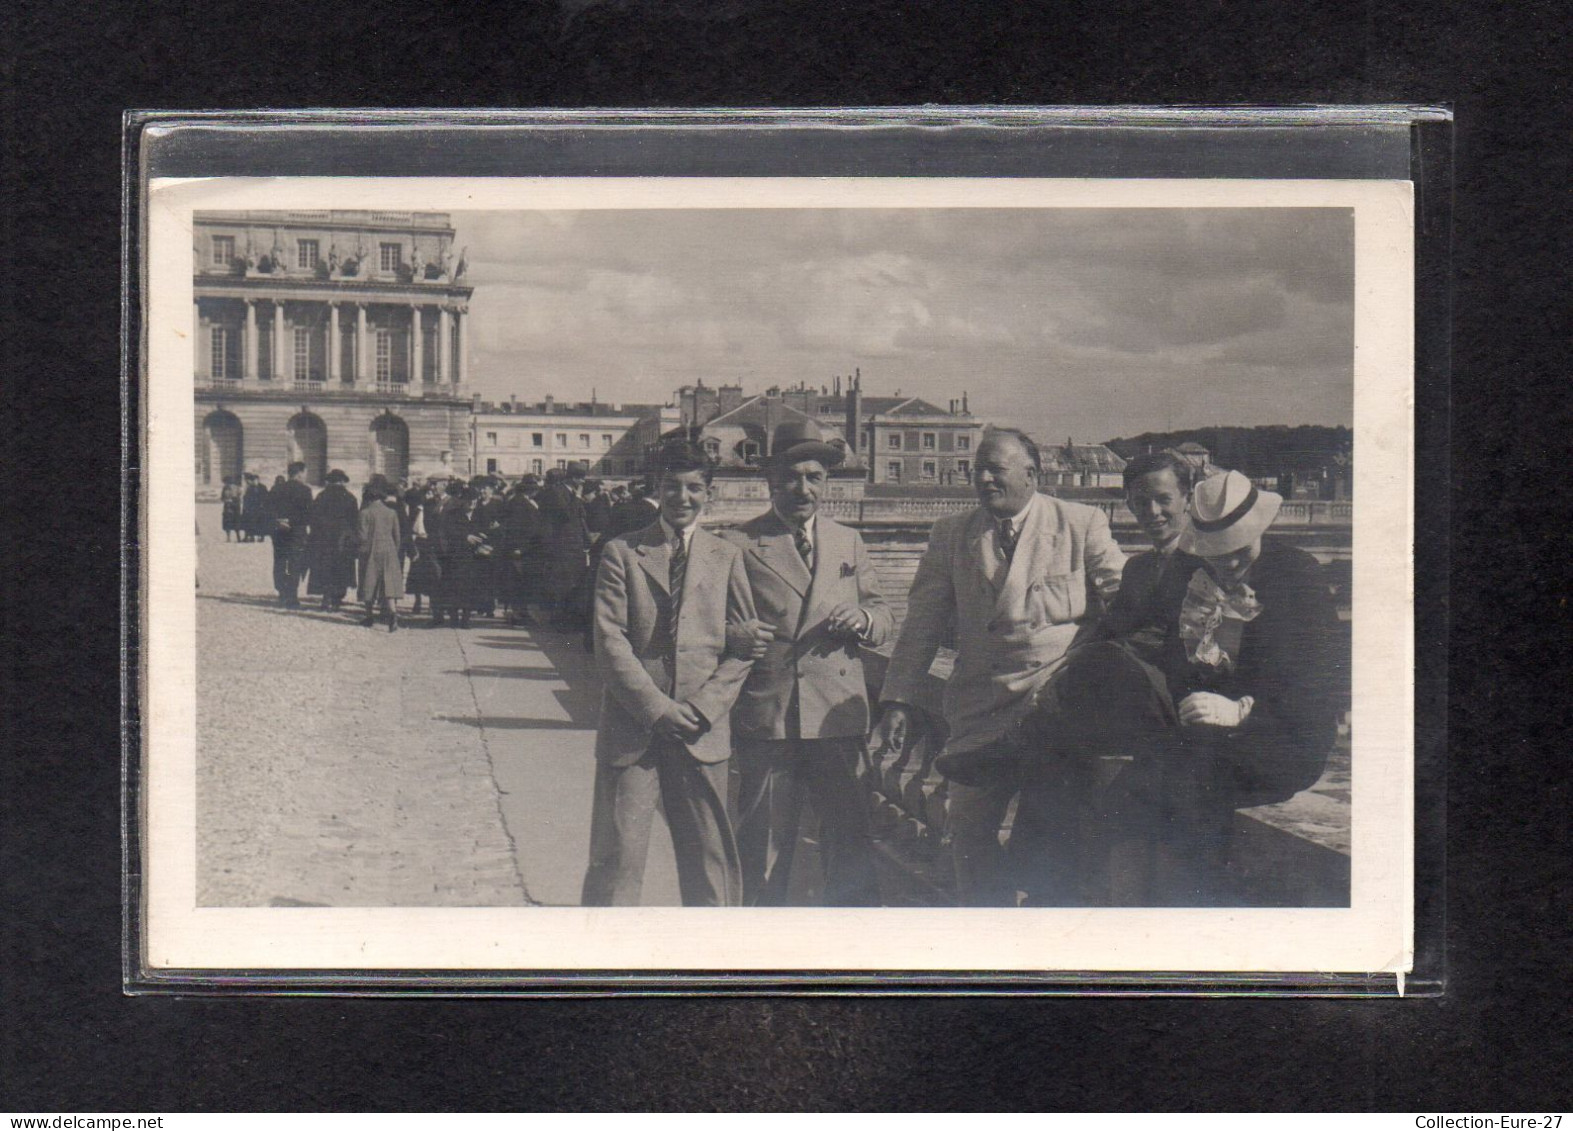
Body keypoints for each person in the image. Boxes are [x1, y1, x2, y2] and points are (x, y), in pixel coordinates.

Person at [1002, 469, 1342, 905]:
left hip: (1280, 737)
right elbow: (1174, 659)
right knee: (1123, 784)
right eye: (1217, 554)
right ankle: (1065, 898)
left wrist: (1239, 710)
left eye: (1238, 551)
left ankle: (1181, 917)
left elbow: (1321, 687)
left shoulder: (1298, 576)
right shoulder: (1195, 573)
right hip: (1207, 731)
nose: (1228, 564)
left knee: (1180, 782)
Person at [871, 427, 1125, 905]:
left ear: (1031, 475)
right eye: (977, 470)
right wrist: (898, 700)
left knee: (1052, 851)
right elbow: (922, 624)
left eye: (996, 470)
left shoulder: (1080, 523)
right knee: (968, 839)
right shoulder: (951, 535)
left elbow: (1127, 607)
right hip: (979, 712)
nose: (984, 479)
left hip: (1054, 717)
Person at [720, 420, 894, 906]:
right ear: (770, 481)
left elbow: (884, 616)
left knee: (848, 838)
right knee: (763, 844)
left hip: (837, 713)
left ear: (825, 483)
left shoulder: (848, 542)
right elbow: (708, 622)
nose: (803, 488)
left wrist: (861, 617)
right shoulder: (738, 544)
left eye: (814, 477)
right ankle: (756, 947)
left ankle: (853, 948)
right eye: (792, 477)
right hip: (769, 713)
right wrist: (733, 635)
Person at [581, 440, 757, 907]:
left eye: (695, 488)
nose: (683, 498)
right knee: (617, 859)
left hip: (702, 731)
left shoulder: (727, 557)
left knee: (710, 863)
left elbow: (744, 648)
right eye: (672, 487)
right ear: (657, 490)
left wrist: (703, 708)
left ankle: (711, 966)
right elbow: (610, 641)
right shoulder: (623, 553)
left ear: (710, 494)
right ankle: (603, 966)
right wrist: (659, 709)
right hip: (634, 728)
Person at [537, 467, 590, 630]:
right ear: (573, 478)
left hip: (574, 545)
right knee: (563, 585)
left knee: (573, 584)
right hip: (563, 546)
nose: (583, 482)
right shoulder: (557, 492)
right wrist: (578, 497)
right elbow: (566, 515)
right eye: (581, 478)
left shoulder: (570, 493)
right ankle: (559, 621)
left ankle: (567, 620)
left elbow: (580, 519)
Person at [305, 469, 359, 612]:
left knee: (324, 568)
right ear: (342, 481)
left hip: (323, 539)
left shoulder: (321, 496)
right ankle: (337, 600)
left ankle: (326, 597)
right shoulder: (350, 497)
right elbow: (355, 522)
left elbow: (313, 518)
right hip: (342, 540)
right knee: (341, 568)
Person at [357, 476, 406, 632]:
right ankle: (393, 614)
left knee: (368, 582)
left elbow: (362, 536)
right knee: (389, 584)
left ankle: (369, 615)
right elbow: (397, 536)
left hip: (370, 550)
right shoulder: (391, 513)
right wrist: (394, 550)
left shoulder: (364, 513)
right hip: (389, 550)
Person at [268, 462, 315, 608]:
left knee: (280, 562)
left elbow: (268, 510)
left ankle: (282, 594)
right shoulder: (305, 490)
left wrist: (279, 521)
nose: (305, 476)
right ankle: (292, 597)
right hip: (297, 532)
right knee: (295, 563)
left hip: (279, 532)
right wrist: (293, 521)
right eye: (305, 472)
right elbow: (309, 514)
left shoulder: (277, 489)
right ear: (300, 473)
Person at [240, 473, 270, 542]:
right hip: (252, 508)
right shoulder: (250, 488)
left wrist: (264, 505)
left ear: (258, 480)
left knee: (261, 522)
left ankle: (261, 537)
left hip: (261, 508)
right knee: (252, 522)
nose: (254, 481)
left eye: (255, 480)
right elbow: (247, 498)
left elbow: (266, 497)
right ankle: (251, 537)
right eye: (253, 480)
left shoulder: (263, 487)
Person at [220, 476, 243, 542]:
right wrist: (226, 500)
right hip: (227, 507)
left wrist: (233, 501)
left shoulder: (237, 488)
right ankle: (228, 537)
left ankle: (238, 537)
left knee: (236, 522)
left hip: (235, 507)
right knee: (227, 522)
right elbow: (222, 498)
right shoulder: (225, 488)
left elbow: (239, 498)